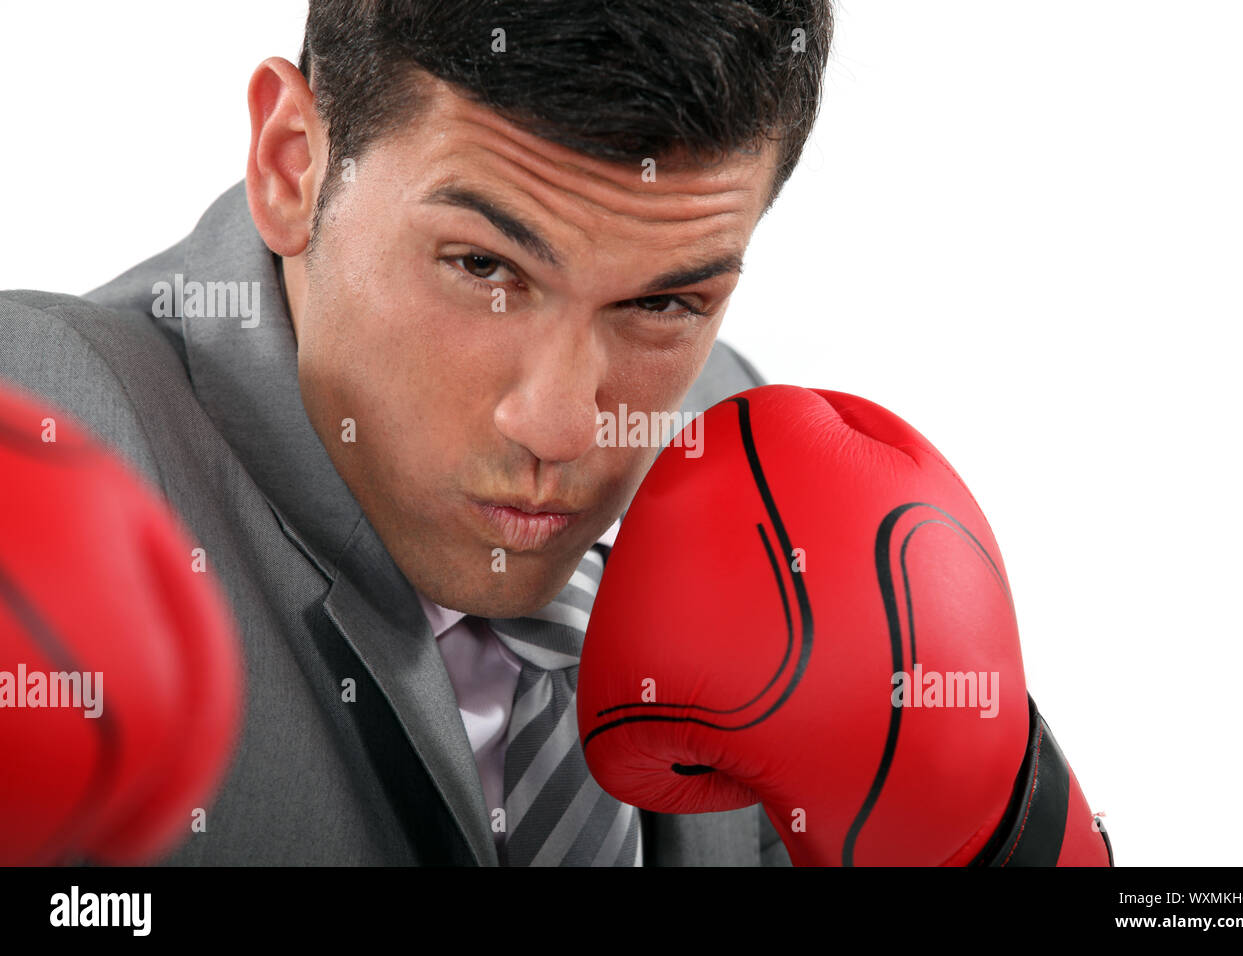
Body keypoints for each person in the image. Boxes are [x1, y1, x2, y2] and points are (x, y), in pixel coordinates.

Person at [0, 0, 832, 865]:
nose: (559, 428)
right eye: (483, 266)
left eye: (663, 303)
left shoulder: (741, 462)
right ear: (292, 166)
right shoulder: (43, 434)